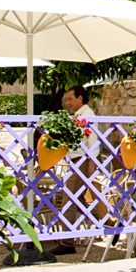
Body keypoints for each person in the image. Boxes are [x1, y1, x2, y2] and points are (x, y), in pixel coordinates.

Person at [51, 85, 97, 255]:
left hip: (82, 161)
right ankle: (104, 222)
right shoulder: (79, 116)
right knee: (77, 201)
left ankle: (67, 242)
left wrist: (91, 166)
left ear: (80, 98)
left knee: (68, 200)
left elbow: (93, 142)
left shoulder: (87, 116)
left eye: (70, 98)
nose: (68, 102)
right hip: (77, 161)